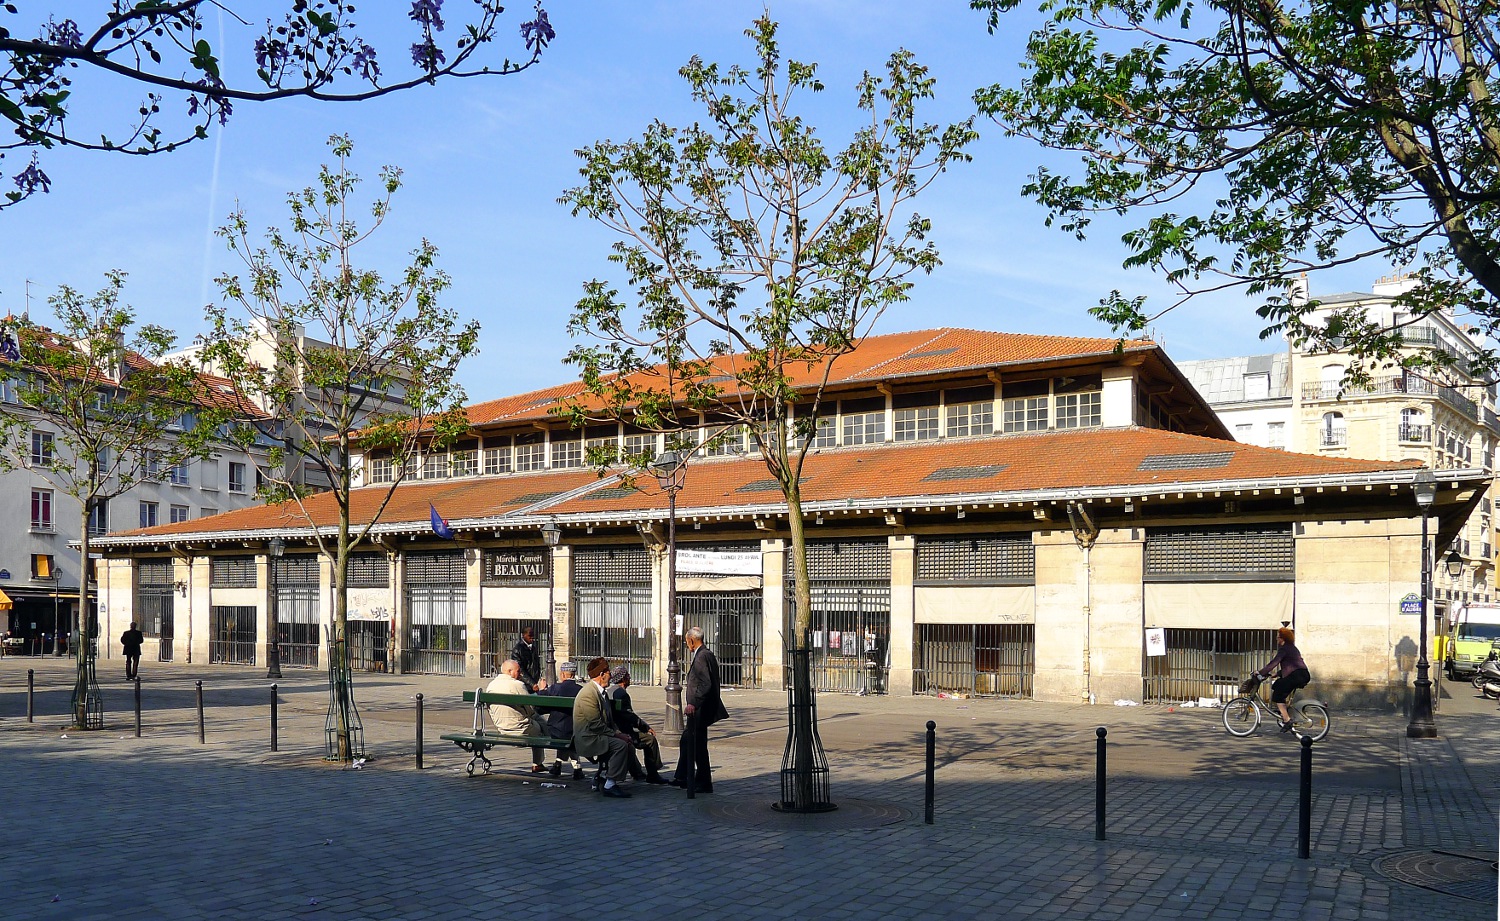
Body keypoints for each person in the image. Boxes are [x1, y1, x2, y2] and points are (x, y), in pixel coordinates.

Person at [673, 625, 729, 792]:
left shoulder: (702, 656)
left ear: (691, 640)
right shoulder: (705, 654)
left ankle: (703, 781)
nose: (686, 645)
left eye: (686, 641)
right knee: (688, 741)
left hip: (700, 710)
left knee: (696, 745)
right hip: (700, 710)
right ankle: (683, 776)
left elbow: (706, 683)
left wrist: (693, 703)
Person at [573, 657, 633, 798]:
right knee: (620, 746)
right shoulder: (588, 694)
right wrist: (618, 736)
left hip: (598, 734)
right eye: (608, 672)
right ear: (601, 675)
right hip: (588, 738)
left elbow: (609, 721)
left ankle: (609, 778)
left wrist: (619, 732)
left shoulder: (601, 693)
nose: (610, 676)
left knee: (628, 744)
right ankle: (610, 784)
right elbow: (595, 724)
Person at [485, 659, 548, 773]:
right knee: (541, 726)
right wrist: (542, 692)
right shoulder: (517, 685)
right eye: (518, 671)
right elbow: (530, 708)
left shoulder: (491, 685)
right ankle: (539, 762)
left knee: (538, 720)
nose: (520, 674)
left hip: (502, 727)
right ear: (509, 671)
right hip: (521, 729)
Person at [610, 665, 669, 784]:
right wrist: (645, 727)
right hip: (623, 732)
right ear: (624, 679)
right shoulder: (622, 694)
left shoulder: (610, 691)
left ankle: (636, 772)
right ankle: (653, 773)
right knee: (650, 740)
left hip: (613, 730)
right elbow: (630, 716)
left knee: (631, 744)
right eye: (628, 675)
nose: (630, 677)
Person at [1256, 627, 1311, 731]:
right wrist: (1276, 674)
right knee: (1278, 684)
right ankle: (1284, 711)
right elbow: (1292, 665)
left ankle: (1286, 720)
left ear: (1282, 638)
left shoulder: (1284, 649)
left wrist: (1260, 672)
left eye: (1278, 637)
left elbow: (1274, 662)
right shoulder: (1293, 648)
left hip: (1296, 676)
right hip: (1303, 674)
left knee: (1277, 695)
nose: (1277, 640)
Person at [542, 661, 585, 778]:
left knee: (563, 737)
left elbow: (540, 708)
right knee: (568, 738)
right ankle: (573, 767)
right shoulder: (581, 690)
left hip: (556, 730)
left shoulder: (555, 688)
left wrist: (541, 690)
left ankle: (563, 766)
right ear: (573, 674)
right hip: (576, 729)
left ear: (563, 675)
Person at [511, 626, 544, 691]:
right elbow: (520, 669)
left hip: (534, 681)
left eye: (533, 637)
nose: (532, 639)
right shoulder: (518, 649)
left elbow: (536, 664)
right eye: (529, 636)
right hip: (524, 683)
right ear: (523, 635)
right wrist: (532, 683)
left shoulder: (533, 648)